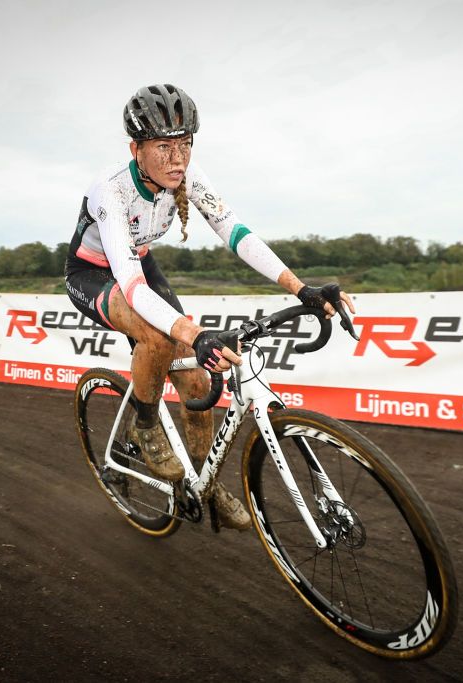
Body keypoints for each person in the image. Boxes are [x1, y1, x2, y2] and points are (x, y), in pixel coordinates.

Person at [64, 84, 355, 530]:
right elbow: (133, 288)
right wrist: (193, 334)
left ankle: (204, 479)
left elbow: (234, 232)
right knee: (158, 336)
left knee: (198, 382)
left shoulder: (188, 176)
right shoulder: (111, 190)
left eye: (184, 144)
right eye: (163, 146)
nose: (177, 158)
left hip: (140, 266)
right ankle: (144, 426)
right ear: (135, 149)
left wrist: (300, 288)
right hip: (96, 275)